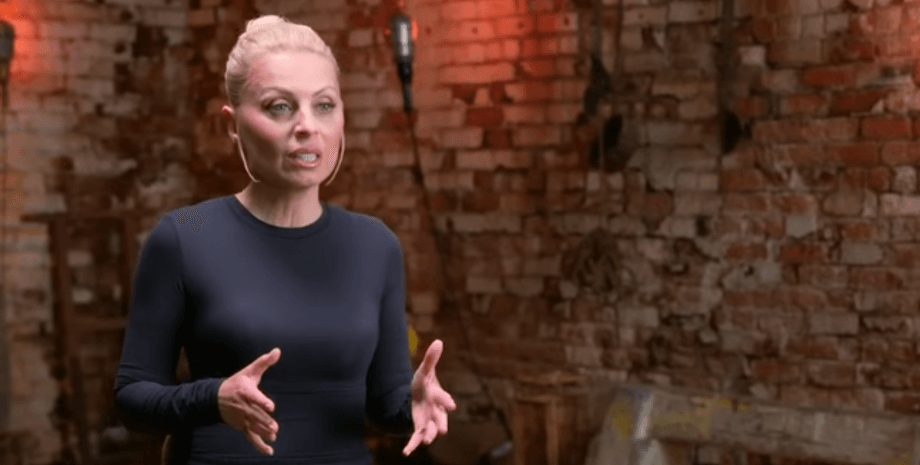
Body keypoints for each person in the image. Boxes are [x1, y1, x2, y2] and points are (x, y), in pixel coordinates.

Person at [113, 14, 456, 464]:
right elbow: (132, 399)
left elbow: (383, 402)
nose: (307, 126)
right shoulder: (186, 234)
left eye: (324, 105)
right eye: (280, 107)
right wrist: (213, 397)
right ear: (232, 124)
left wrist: (411, 405)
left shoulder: (375, 245)